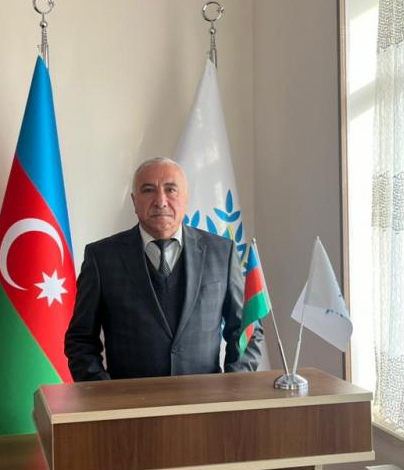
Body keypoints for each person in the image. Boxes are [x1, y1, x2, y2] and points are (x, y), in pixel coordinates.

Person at [65, 157, 263, 381]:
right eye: (148, 190)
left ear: (186, 198)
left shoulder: (222, 253)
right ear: (134, 201)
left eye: (171, 189)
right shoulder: (101, 258)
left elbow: (246, 331)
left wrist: (233, 387)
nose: (160, 201)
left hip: (205, 399)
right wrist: (103, 393)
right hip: (128, 400)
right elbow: (80, 340)